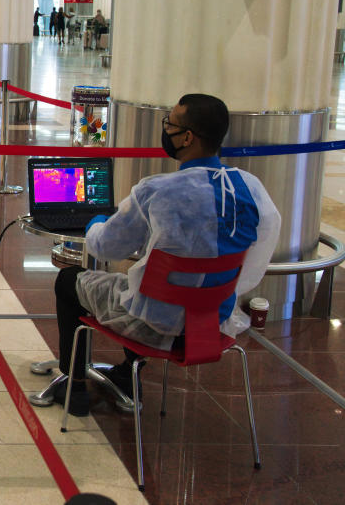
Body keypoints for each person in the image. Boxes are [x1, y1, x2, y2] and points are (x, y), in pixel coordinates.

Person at [36, 94, 280, 416]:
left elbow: (107, 247)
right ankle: (125, 374)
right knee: (144, 283)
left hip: (153, 324)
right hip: (213, 321)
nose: (166, 130)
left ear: (188, 137)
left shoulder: (156, 190)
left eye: (171, 124)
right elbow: (259, 249)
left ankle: (75, 385)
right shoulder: (250, 187)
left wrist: (96, 223)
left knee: (69, 280)